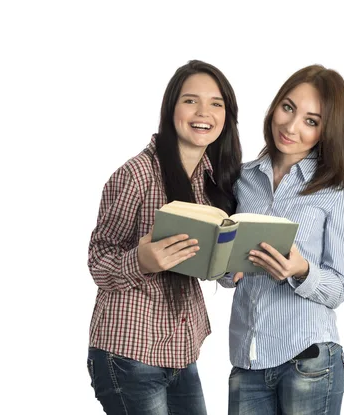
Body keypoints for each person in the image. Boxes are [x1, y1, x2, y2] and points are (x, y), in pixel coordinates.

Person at [86, 59, 242, 415]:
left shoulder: (210, 182)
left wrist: (232, 269)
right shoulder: (137, 175)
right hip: (129, 352)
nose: (204, 112)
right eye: (191, 100)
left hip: (180, 351)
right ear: (171, 107)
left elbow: (205, 263)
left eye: (216, 103)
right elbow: (98, 261)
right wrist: (141, 260)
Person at [222, 65, 344, 415]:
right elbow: (228, 272)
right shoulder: (243, 179)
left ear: (327, 131)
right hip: (247, 360)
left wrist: (301, 270)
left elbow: (338, 287)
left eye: (311, 121)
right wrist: (226, 268)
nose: (291, 126)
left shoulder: (339, 189)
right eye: (288, 107)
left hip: (307, 359)